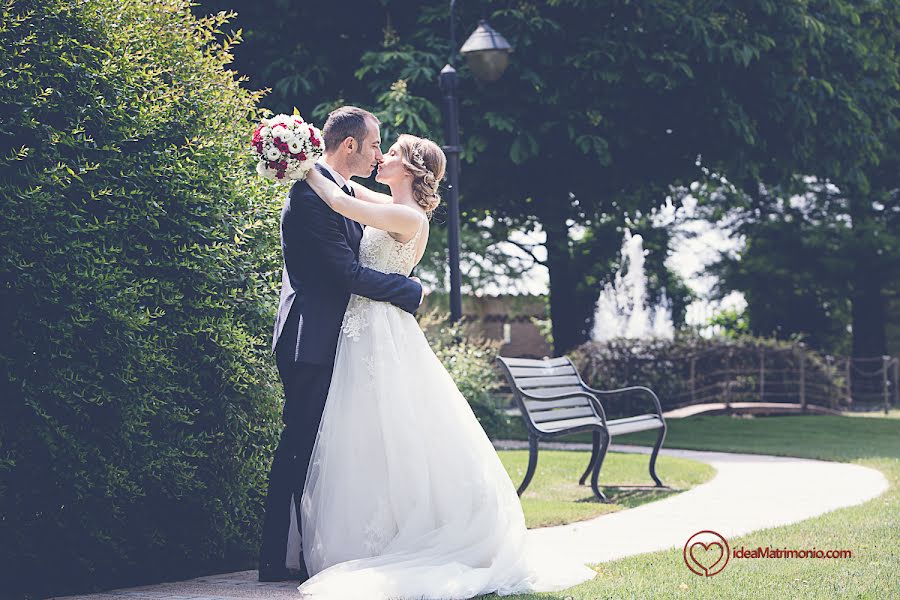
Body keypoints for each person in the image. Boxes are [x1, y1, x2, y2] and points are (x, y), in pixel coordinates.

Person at [294, 133, 596, 598]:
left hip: (380, 333)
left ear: (411, 169)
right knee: (370, 433)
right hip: (368, 329)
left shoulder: (404, 216)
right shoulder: (391, 203)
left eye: (390, 153)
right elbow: (347, 189)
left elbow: (336, 198)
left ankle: (399, 537)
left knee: (387, 428)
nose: (381, 156)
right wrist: (312, 155)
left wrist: (294, 155)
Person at [258, 107, 424, 582]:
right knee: (299, 446)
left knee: (318, 449)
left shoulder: (335, 189)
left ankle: (304, 552)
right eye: (375, 145)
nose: (377, 153)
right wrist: (411, 291)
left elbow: (362, 217)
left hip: (335, 337)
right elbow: (344, 274)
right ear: (349, 145)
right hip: (309, 337)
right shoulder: (310, 197)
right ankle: (280, 558)